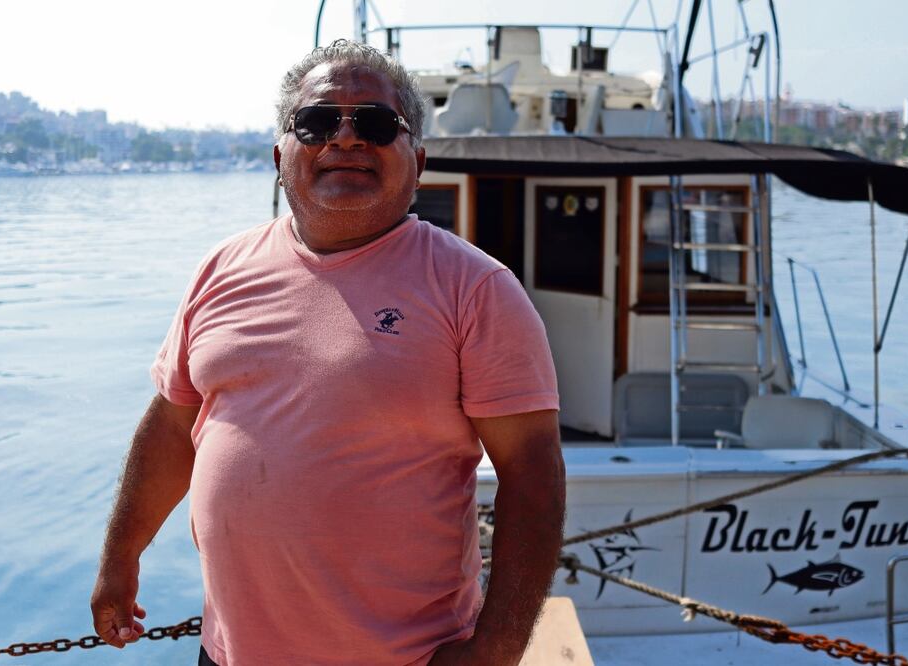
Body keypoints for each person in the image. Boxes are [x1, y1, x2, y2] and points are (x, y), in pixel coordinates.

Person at [91, 39, 565, 666]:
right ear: (280, 155)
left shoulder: (475, 289)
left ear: (417, 160)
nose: (345, 139)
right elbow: (175, 426)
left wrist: (497, 649)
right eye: (316, 122)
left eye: (374, 122)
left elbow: (532, 475)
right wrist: (120, 557)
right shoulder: (221, 269)